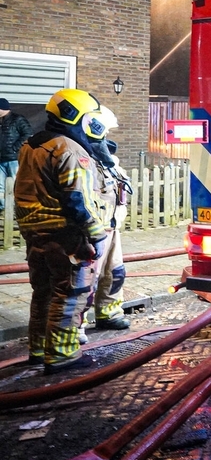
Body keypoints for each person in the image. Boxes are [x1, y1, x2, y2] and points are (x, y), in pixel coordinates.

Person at [15, 88, 110, 373]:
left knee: (43, 292)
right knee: (70, 293)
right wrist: (97, 235)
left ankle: (39, 349)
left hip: (35, 233)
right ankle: (62, 354)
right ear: (77, 117)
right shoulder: (69, 149)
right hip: (64, 235)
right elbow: (77, 200)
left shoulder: (31, 145)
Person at [87, 106, 132, 331]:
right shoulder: (83, 160)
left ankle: (109, 313)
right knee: (87, 278)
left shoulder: (106, 160)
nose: (106, 137)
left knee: (114, 273)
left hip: (112, 227)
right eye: (105, 132)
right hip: (93, 230)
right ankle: (77, 325)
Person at [0, 97, 33, 211]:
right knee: (0, 186)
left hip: (14, 158)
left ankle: (17, 209)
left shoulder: (18, 119)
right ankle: (4, 209)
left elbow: (28, 134)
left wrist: (14, 148)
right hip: (1, 159)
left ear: (2, 108)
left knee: (17, 185)